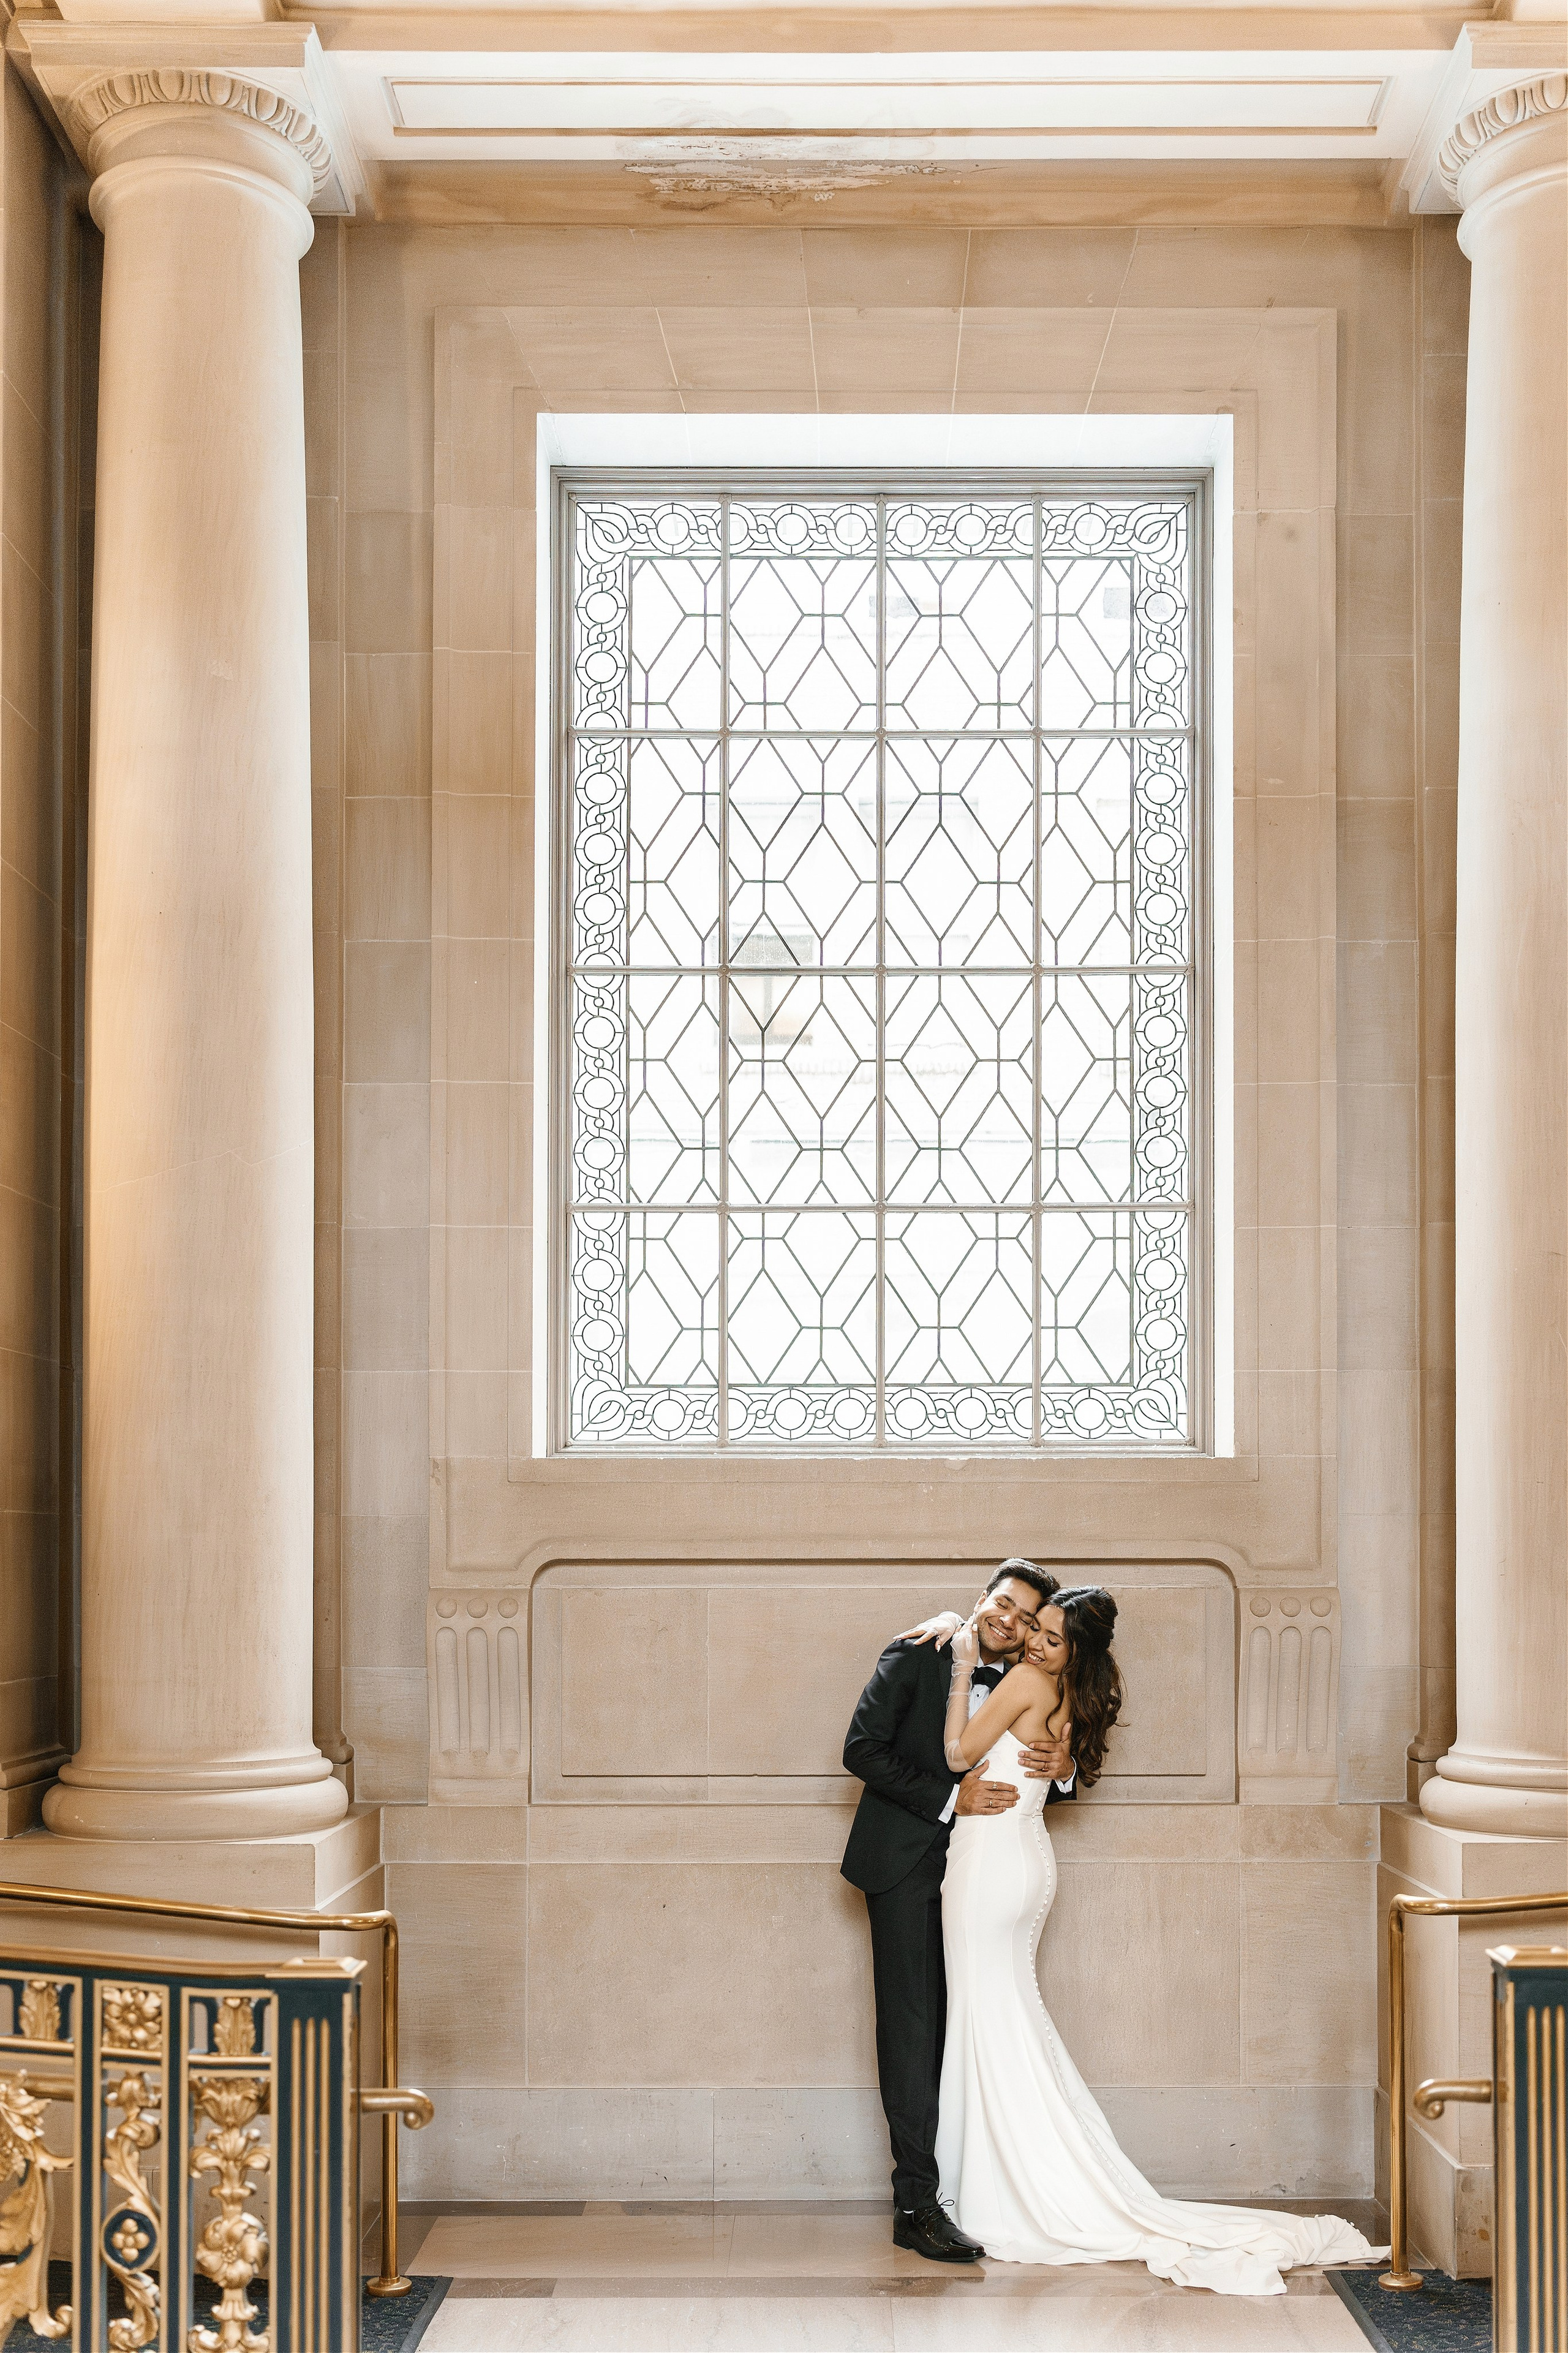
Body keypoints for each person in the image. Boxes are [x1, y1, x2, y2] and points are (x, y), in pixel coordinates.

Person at [932, 1584, 1387, 2294]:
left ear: (1074, 1651)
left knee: (988, 2018)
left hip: (991, 1867)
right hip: (1024, 1862)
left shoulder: (1023, 1681)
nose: (1034, 1645)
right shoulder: (1068, 1692)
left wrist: (962, 1665)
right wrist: (1061, 1762)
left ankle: (1001, 2187)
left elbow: (959, 1753)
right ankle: (1001, 2176)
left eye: (1051, 1639)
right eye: (1036, 1631)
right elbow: (1045, 1761)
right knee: (1003, 2017)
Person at [839, 1560, 1078, 2265]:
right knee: (915, 2033)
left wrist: (1063, 1767)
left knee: (973, 2027)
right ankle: (916, 2205)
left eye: (1028, 1618)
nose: (1011, 1621)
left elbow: (1044, 1771)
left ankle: (976, 2190)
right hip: (907, 1865)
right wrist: (949, 1800)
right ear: (981, 1599)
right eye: (1003, 1604)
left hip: (983, 1878)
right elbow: (860, 1748)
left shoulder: (1031, 1678)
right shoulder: (920, 1651)